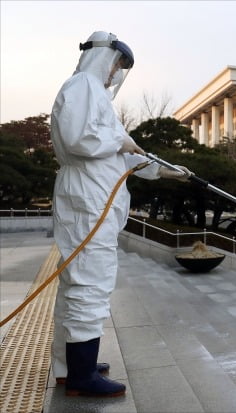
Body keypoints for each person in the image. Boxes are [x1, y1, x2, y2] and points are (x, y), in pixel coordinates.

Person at [50, 31, 192, 398]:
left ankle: (72, 366)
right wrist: (121, 141)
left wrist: (161, 168)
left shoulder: (95, 95)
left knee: (77, 285)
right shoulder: (83, 85)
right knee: (90, 284)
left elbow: (117, 155)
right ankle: (81, 377)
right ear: (103, 57)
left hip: (91, 198)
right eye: (117, 64)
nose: (117, 72)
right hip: (87, 201)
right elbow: (79, 139)